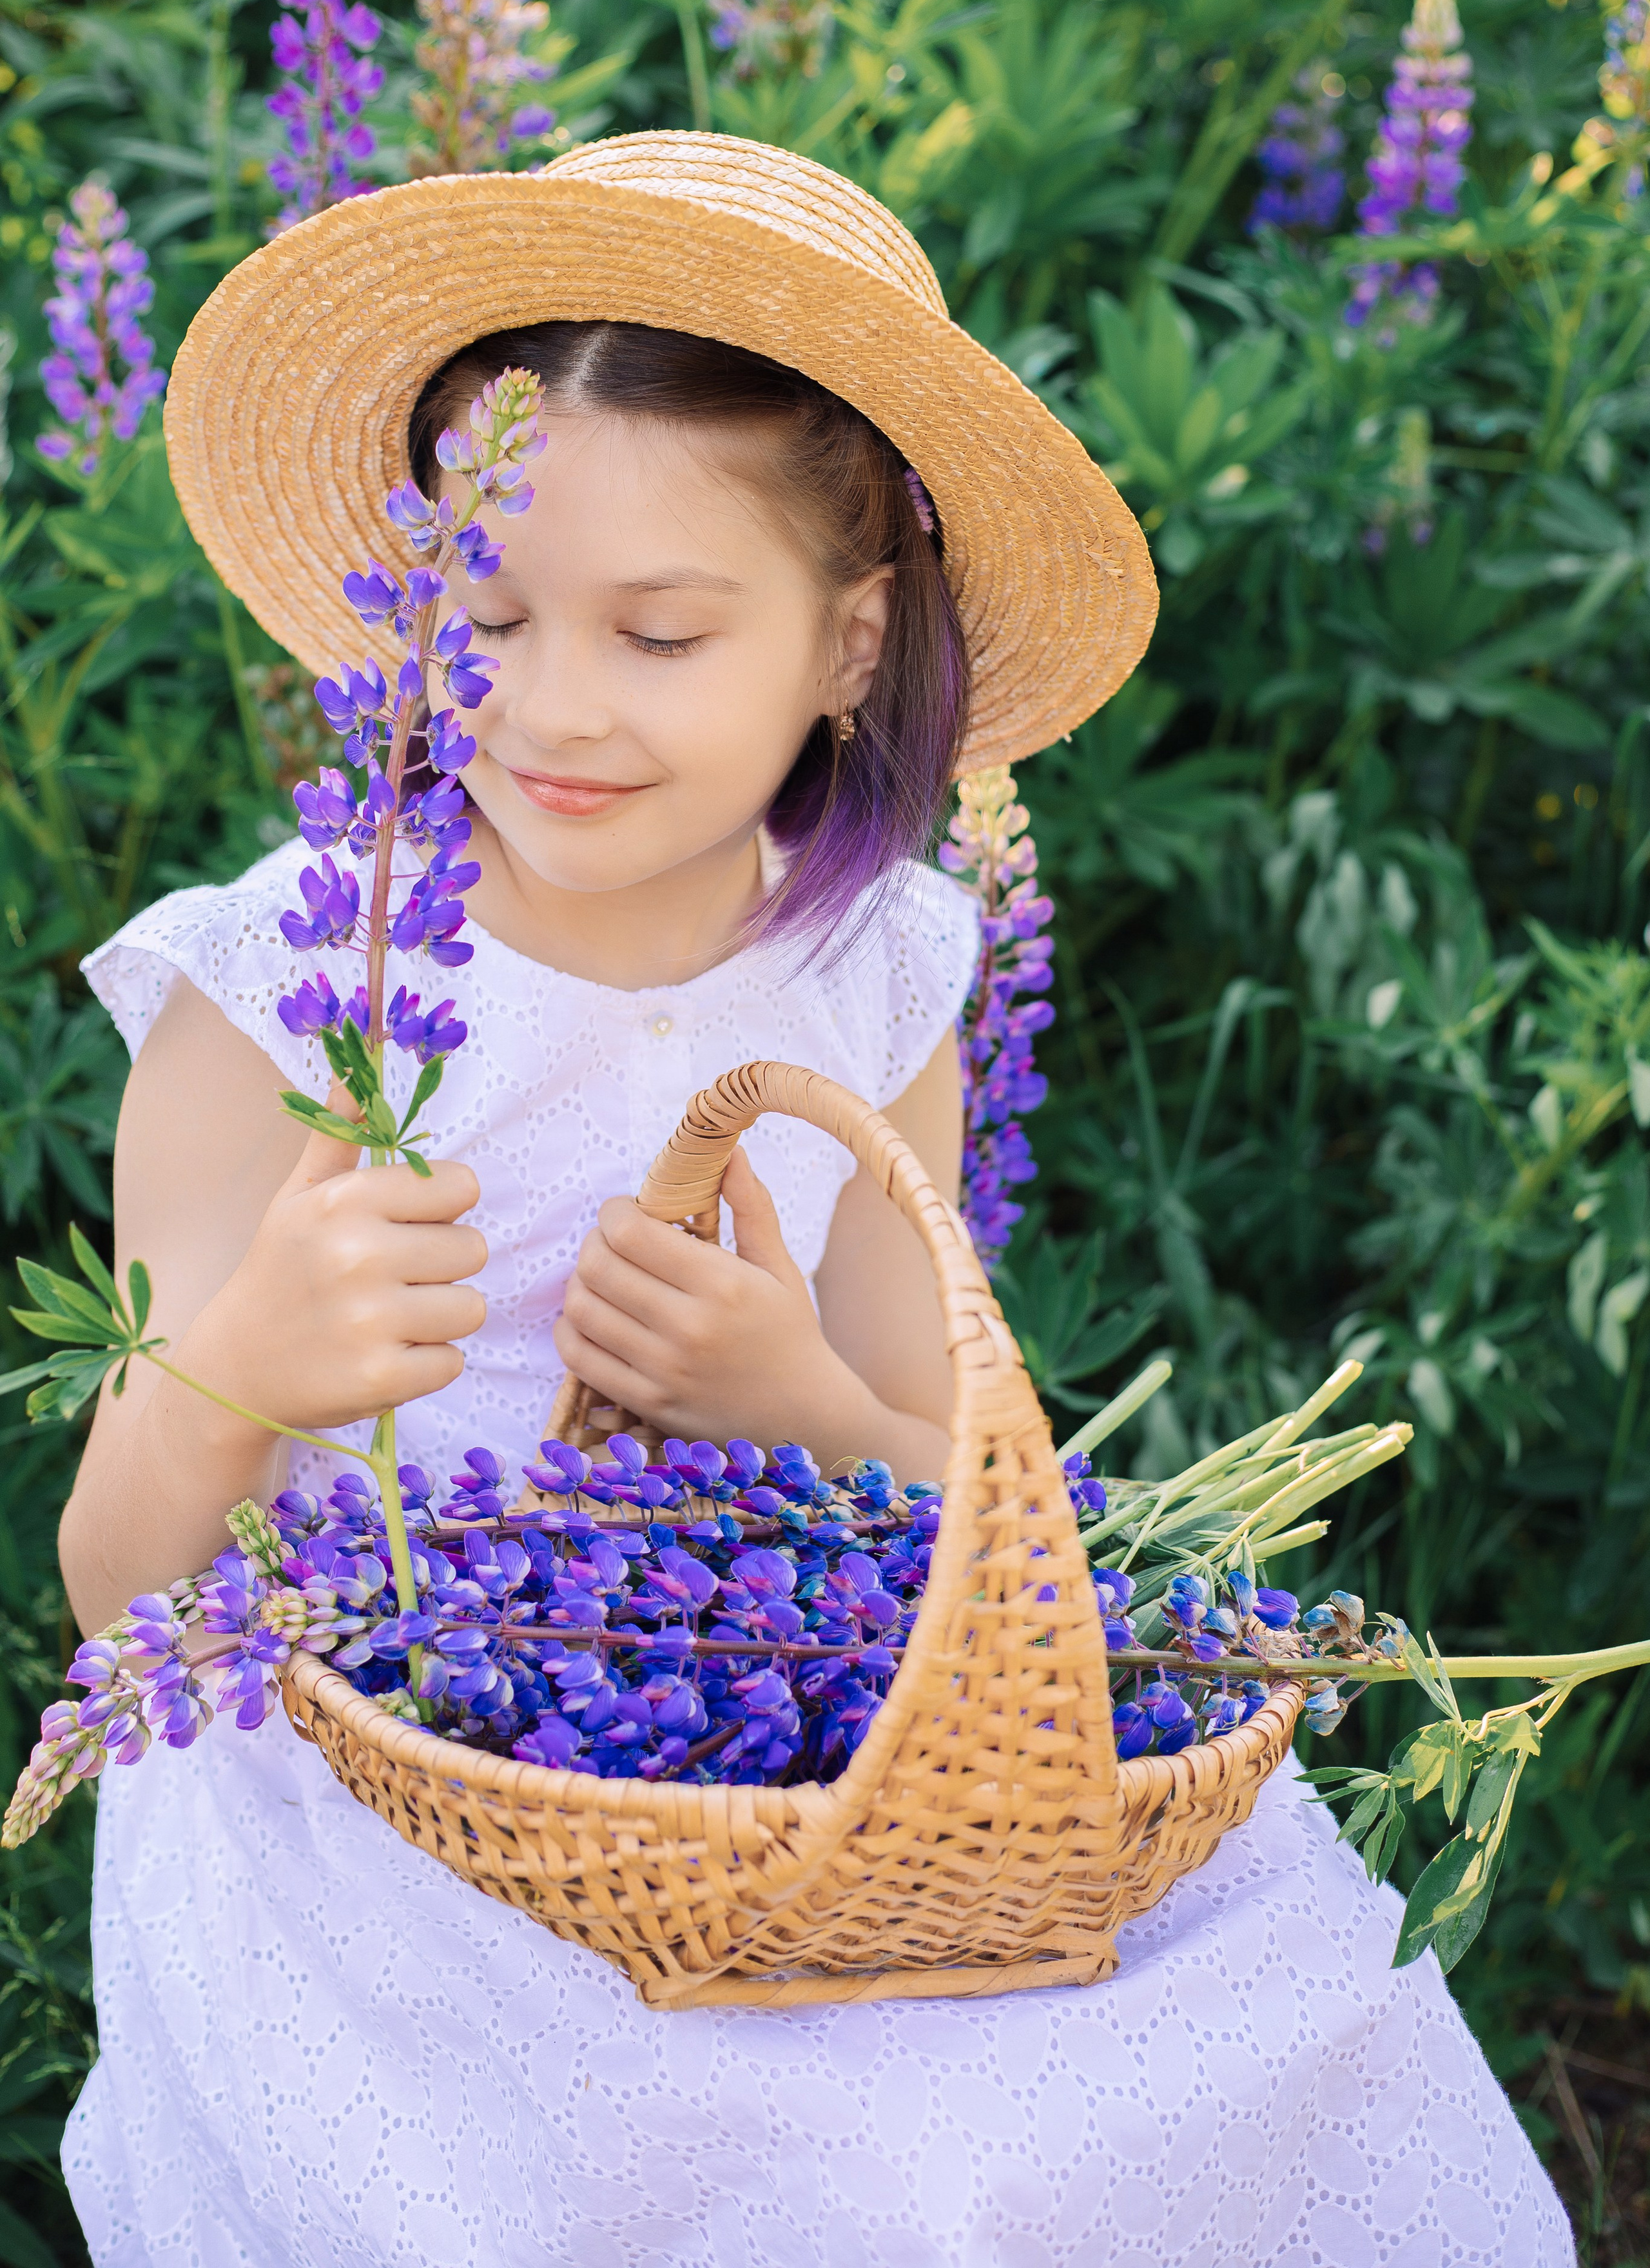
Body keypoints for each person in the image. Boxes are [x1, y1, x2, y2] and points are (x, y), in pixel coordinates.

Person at [59, 133, 1570, 2267]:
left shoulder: (877, 977)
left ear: (850, 644)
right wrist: (235, 1369)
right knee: (790, 2182)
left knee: (1247, 2012)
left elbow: (968, 1488)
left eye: (661, 634)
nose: (553, 703)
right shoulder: (277, 985)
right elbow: (116, 1598)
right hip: (357, 1773)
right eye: (483, 617)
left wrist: (798, 1404)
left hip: (775, 1722)